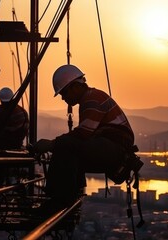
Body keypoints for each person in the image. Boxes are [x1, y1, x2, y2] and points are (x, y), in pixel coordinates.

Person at [33, 64, 135, 211]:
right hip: (115, 147)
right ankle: (66, 196)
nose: (63, 98)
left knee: (67, 146)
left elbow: (83, 134)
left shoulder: (92, 98)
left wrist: (51, 144)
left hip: (115, 148)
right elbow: (83, 137)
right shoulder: (91, 98)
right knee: (69, 149)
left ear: (75, 87)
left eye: (64, 93)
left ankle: (58, 200)